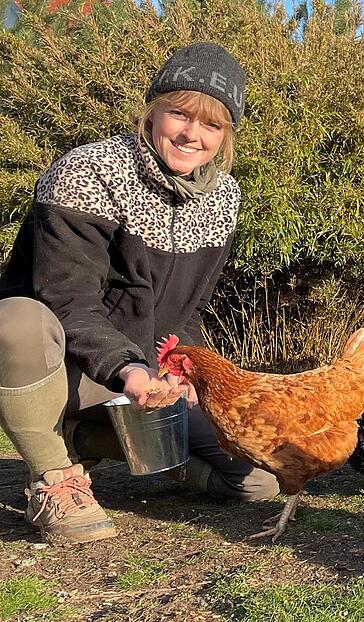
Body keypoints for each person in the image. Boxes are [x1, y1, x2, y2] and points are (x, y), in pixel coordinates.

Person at [0, 42, 279, 545]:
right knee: (15, 320)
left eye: (211, 124)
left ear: (226, 135)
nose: (192, 134)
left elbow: (190, 309)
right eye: (180, 114)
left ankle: (91, 440)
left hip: (140, 377)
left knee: (257, 481)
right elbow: (68, 300)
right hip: (63, 367)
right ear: (152, 112)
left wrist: (187, 374)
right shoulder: (87, 172)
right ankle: (53, 479)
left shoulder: (223, 197)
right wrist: (128, 368)